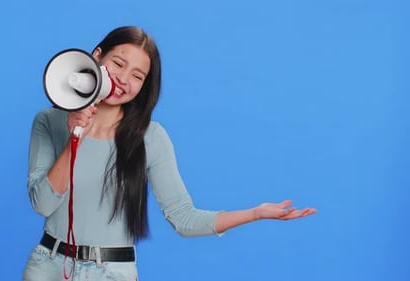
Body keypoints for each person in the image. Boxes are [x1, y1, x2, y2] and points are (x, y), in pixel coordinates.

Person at [23, 26, 317, 281]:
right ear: (97, 56)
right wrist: (76, 137)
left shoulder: (150, 137)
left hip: (111, 272)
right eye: (118, 63)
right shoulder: (48, 122)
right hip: (49, 266)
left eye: (137, 76)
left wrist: (255, 213)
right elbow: (43, 204)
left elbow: (184, 219)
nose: (124, 79)